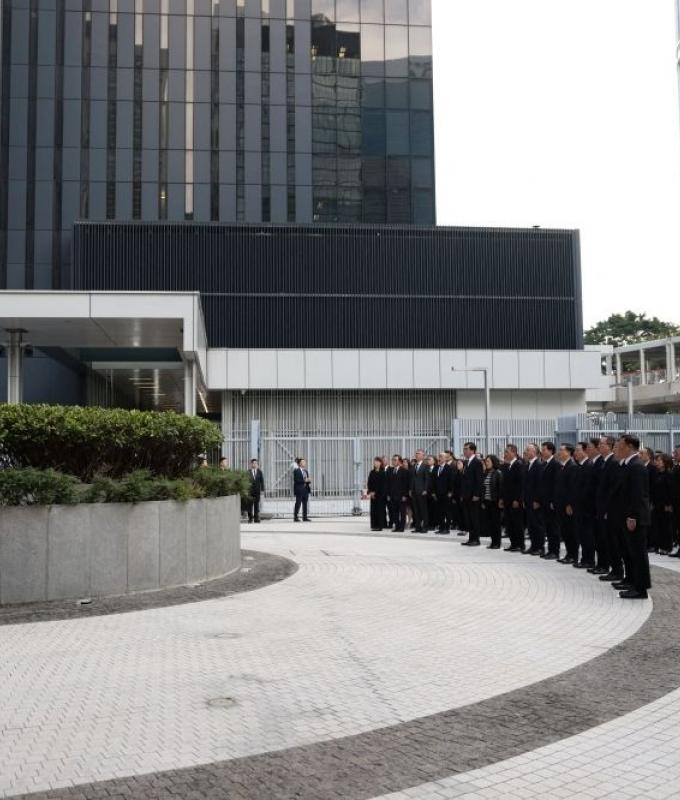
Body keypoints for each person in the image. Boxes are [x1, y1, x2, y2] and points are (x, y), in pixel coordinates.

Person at [617, 434, 652, 599]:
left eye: (621, 444)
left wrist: (632, 516)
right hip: (630, 516)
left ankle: (641, 589)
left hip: (635, 518)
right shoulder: (630, 464)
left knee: (638, 554)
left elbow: (638, 495)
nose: (618, 447)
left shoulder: (636, 466)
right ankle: (633, 582)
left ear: (630, 446)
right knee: (632, 553)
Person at [573, 442, 596, 568]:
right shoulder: (580, 466)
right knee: (582, 535)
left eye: (578, 450)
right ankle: (584, 559)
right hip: (579, 508)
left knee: (588, 536)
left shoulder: (589, 466)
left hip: (586, 508)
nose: (575, 453)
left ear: (585, 451)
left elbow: (588, 490)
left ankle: (589, 560)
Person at [554, 443, 578, 564]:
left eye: (562, 450)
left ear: (568, 452)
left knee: (570, 531)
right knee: (564, 531)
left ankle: (573, 555)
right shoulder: (561, 466)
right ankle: (569, 554)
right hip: (560, 504)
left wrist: (569, 504)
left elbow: (572, 488)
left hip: (567, 505)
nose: (559, 452)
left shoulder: (572, 466)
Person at [500, 444, 525, 552]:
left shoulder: (518, 465)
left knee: (517, 523)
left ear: (514, 452)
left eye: (507, 452)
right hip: (507, 499)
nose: (505, 454)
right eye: (505, 452)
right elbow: (504, 484)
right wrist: (502, 498)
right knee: (509, 523)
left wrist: (517, 499)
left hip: (514, 500)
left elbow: (520, 484)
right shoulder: (507, 466)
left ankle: (520, 544)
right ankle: (513, 543)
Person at [523, 443, 546, 555]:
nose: (526, 452)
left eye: (528, 450)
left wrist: (537, 500)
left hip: (535, 501)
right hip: (528, 500)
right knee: (531, 525)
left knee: (538, 525)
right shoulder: (528, 465)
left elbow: (540, 484)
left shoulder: (539, 464)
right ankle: (533, 546)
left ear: (534, 452)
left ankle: (540, 547)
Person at [539, 441, 561, 560]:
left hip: (551, 502)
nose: (542, 452)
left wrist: (553, 500)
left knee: (553, 528)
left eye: (544, 449)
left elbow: (556, 484)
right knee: (548, 527)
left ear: (551, 451)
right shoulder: (544, 464)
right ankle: (550, 550)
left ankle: (555, 551)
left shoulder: (555, 464)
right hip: (544, 502)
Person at [651, 453, 674, 555]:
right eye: (657, 460)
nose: (657, 462)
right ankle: (659, 545)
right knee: (658, 526)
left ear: (665, 462)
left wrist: (669, 504)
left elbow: (671, 491)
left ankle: (667, 547)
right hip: (657, 504)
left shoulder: (669, 474)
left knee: (666, 527)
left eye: (660, 460)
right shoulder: (657, 474)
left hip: (666, 505)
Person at [461, 442, 484, 544]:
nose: (464, 451)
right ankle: (471, 538)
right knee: (468, 518)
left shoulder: (477, 462)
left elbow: (479, 480)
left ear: (472, 450)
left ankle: (476, 539)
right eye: (464, 449)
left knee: (474, 518)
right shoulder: (466, 462)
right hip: (466, 495)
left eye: (466, 449)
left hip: (473, 495)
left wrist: (476, 494)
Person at [482, 454, 503, 548]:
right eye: (486, 461)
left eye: (488, 461)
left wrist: (500, 500)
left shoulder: (498, 473)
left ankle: (497, 543)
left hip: (495, 501)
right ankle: (493, 542)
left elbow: (501, 488)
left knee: (496, 523)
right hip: (487, 502)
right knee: (490, 523)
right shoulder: (486, 473)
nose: (486, 463)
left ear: (493, 462)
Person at [387, 454, 410, 532]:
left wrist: (405, 495)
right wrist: (389, 495)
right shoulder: (390, 470)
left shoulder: (404, 471)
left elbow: (406, 484)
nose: (393, 461)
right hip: (393, 496)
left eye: (395, 460)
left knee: (402, 512)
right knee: (394, 512)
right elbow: (388, 484)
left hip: (401, 496)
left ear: (400, 461)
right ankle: (397, 526)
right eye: (393, 460)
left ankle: (401, 527)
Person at [433, 452, 453, 534]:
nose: (440, 458)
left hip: (446, 493)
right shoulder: (436, 467)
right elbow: (433, 480)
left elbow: (451, 481)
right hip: (437, 493)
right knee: (439, 511)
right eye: (439, 456)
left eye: (441, 456)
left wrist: (450, 491)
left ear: (445, 458)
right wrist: (433, 492)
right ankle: (441, 527)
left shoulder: (449, 468)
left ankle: (447, 528)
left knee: (447, 511)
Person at [411, 449, 430, 533]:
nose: (417, 455)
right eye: (416, 453)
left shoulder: (426, 466)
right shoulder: (414, 466)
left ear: (423, 456)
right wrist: (410, 489)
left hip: (422, 491)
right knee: (416, 510)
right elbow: (411, 479)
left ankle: (425, 527)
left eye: (418, 454)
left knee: (423, 510)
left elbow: (427, 479)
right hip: (414, 491)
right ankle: (417, 527)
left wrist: (425, 489)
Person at [367, 457, 387, 531]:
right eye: (375, 462)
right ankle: (374, 525)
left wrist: (376, 492)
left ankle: (380, 526)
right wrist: (371, 492)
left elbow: (383, 485)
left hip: (380, 495)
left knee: (380, 510)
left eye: (377, 462)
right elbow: (369, 483)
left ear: (380, 463)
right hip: (373, 495)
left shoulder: (383, 472)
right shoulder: (372, 472)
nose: (376, 463)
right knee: (373, 510)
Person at [246, 458, 264, 523]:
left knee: (256, 505)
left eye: (256, 463)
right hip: (250, 491)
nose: (255, 464)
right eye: (253, 463)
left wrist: (262, 490)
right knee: (250, 505)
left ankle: (256, 518)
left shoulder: (259, 472)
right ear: (251, 464)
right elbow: (246, 481)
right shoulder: (248, 472)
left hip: (257, 491)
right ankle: (250, 518)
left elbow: (262, 481)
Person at [293, 457, 312, 522]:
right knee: (298, 503)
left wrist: (309, 480)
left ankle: (305, 517)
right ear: (300, 463)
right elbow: (296, 480)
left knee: (305, 504)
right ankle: (295, 517)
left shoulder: (306, 471)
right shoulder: (296, 471)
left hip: (305, 489)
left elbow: (307, 480)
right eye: (303, 462)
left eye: (305, 462)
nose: (304, 463)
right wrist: (304, 480)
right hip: (299, 489)